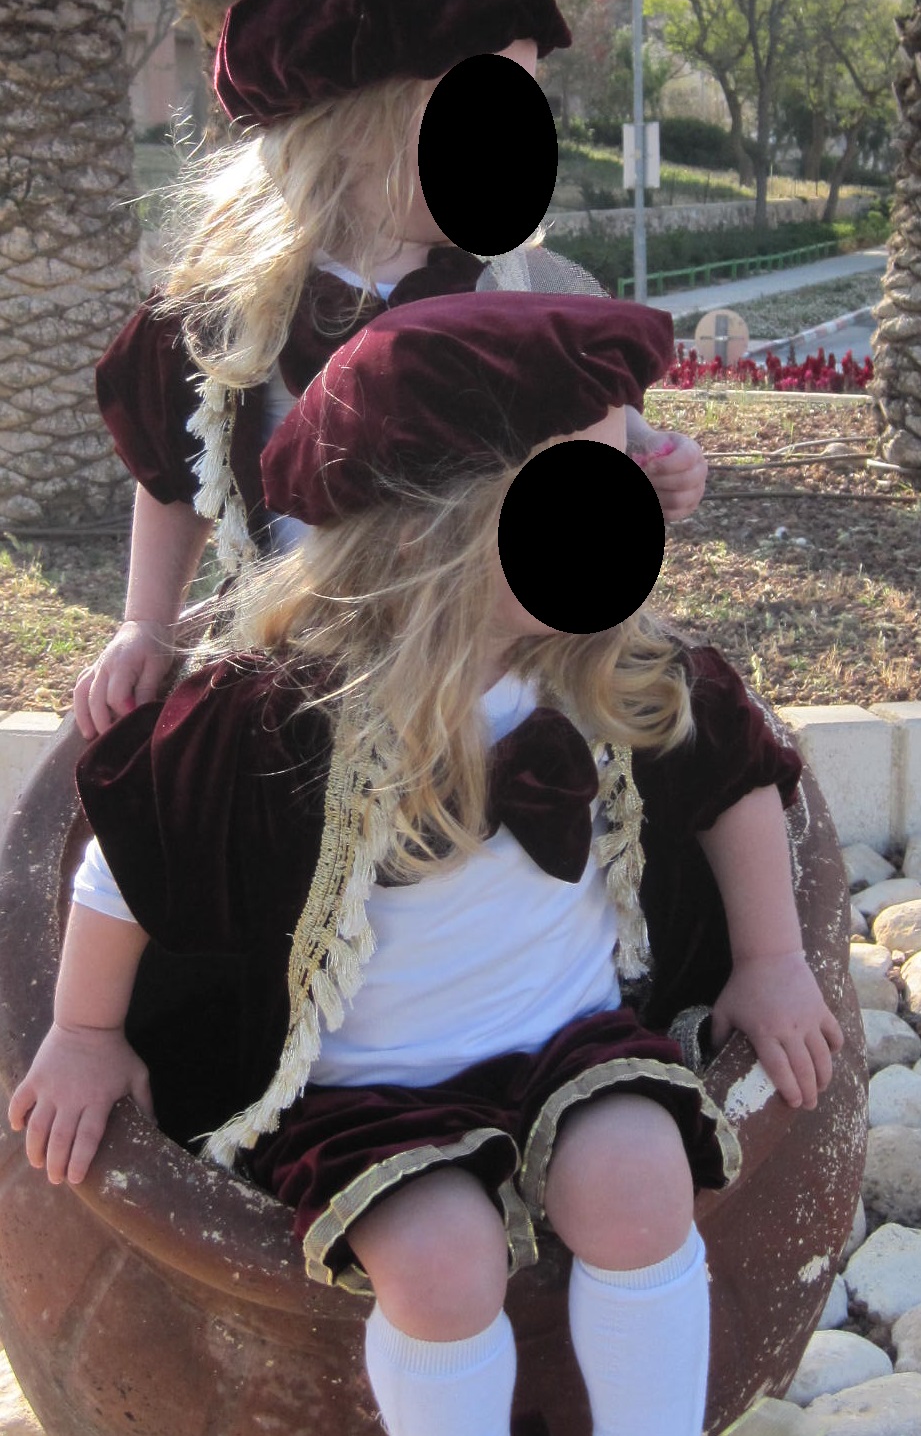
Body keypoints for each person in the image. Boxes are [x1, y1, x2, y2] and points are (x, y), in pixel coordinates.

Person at [12, 293, 841, 1436]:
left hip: (569, 1039)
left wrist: (773, 959)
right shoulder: (286, 708)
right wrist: (86, 1032)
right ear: (420, 530)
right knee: (443, 1266)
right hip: (374, 1092)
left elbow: (736, 774)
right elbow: (133, 857)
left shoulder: (606, 665)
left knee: (644, 1183)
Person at [74, 0, 708, 739]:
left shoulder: (519, 286)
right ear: (356, 126)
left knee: (700, 736)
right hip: (309, 663)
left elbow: (595, 423)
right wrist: (145, 622)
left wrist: (657, 459)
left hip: (496, 667)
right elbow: (177, 480)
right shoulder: (227, 311)